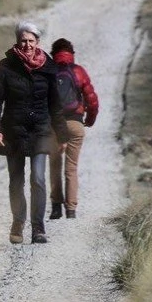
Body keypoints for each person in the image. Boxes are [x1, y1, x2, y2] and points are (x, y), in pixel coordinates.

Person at [0, 21, 61, 245]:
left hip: (41, 130)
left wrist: (61, 134)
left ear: (37, 43)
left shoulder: (48, 67)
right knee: (16, 181)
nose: (27, 45)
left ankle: (38, 227)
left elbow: (55, 103)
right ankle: (18, 222)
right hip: (13, 131)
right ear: (17, 42)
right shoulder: (6, 67)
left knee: (37, 178)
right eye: (23, 41)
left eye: (31, 41)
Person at [47, 37, 100, 220]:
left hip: (54, 125)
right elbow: (91, 98)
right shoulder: (78, 71)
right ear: (72, 54)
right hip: (75, 124)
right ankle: (71, 209)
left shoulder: (49, 71)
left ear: (53, 55)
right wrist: (90, 119)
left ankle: (55, 207)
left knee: (54, 164)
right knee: (71, 167)